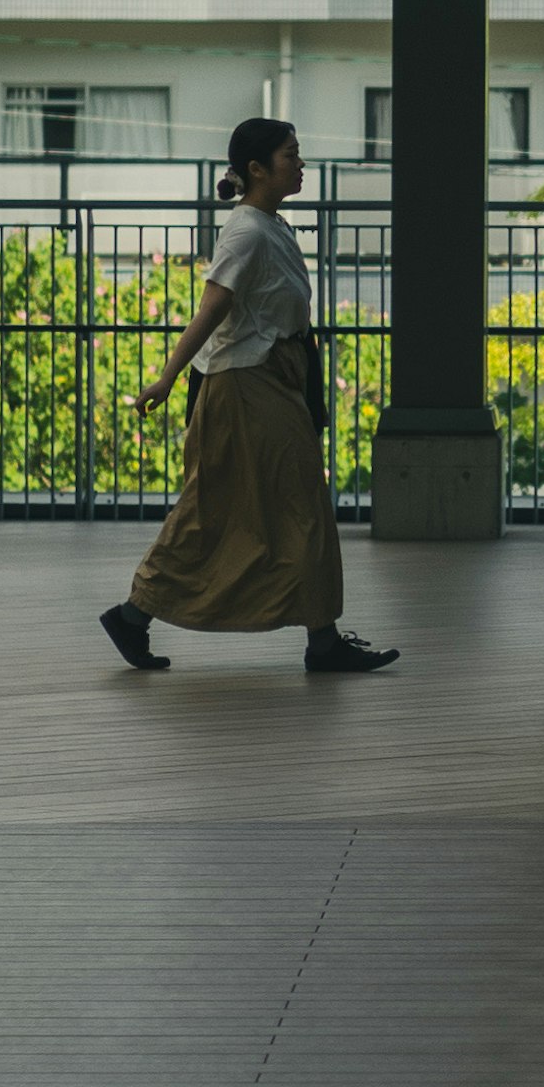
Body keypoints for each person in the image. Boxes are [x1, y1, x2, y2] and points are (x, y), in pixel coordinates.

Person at [99, 118, 398, 675]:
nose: (301, 164)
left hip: (267, 378)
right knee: (231, 505)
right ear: (258, 169)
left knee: (275, 502)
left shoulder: (269, 224)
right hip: (245, 384)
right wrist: (167, 376)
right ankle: (136, 613)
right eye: (291, 155)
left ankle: (320, 638)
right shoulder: (247, 231)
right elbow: (212, 307)